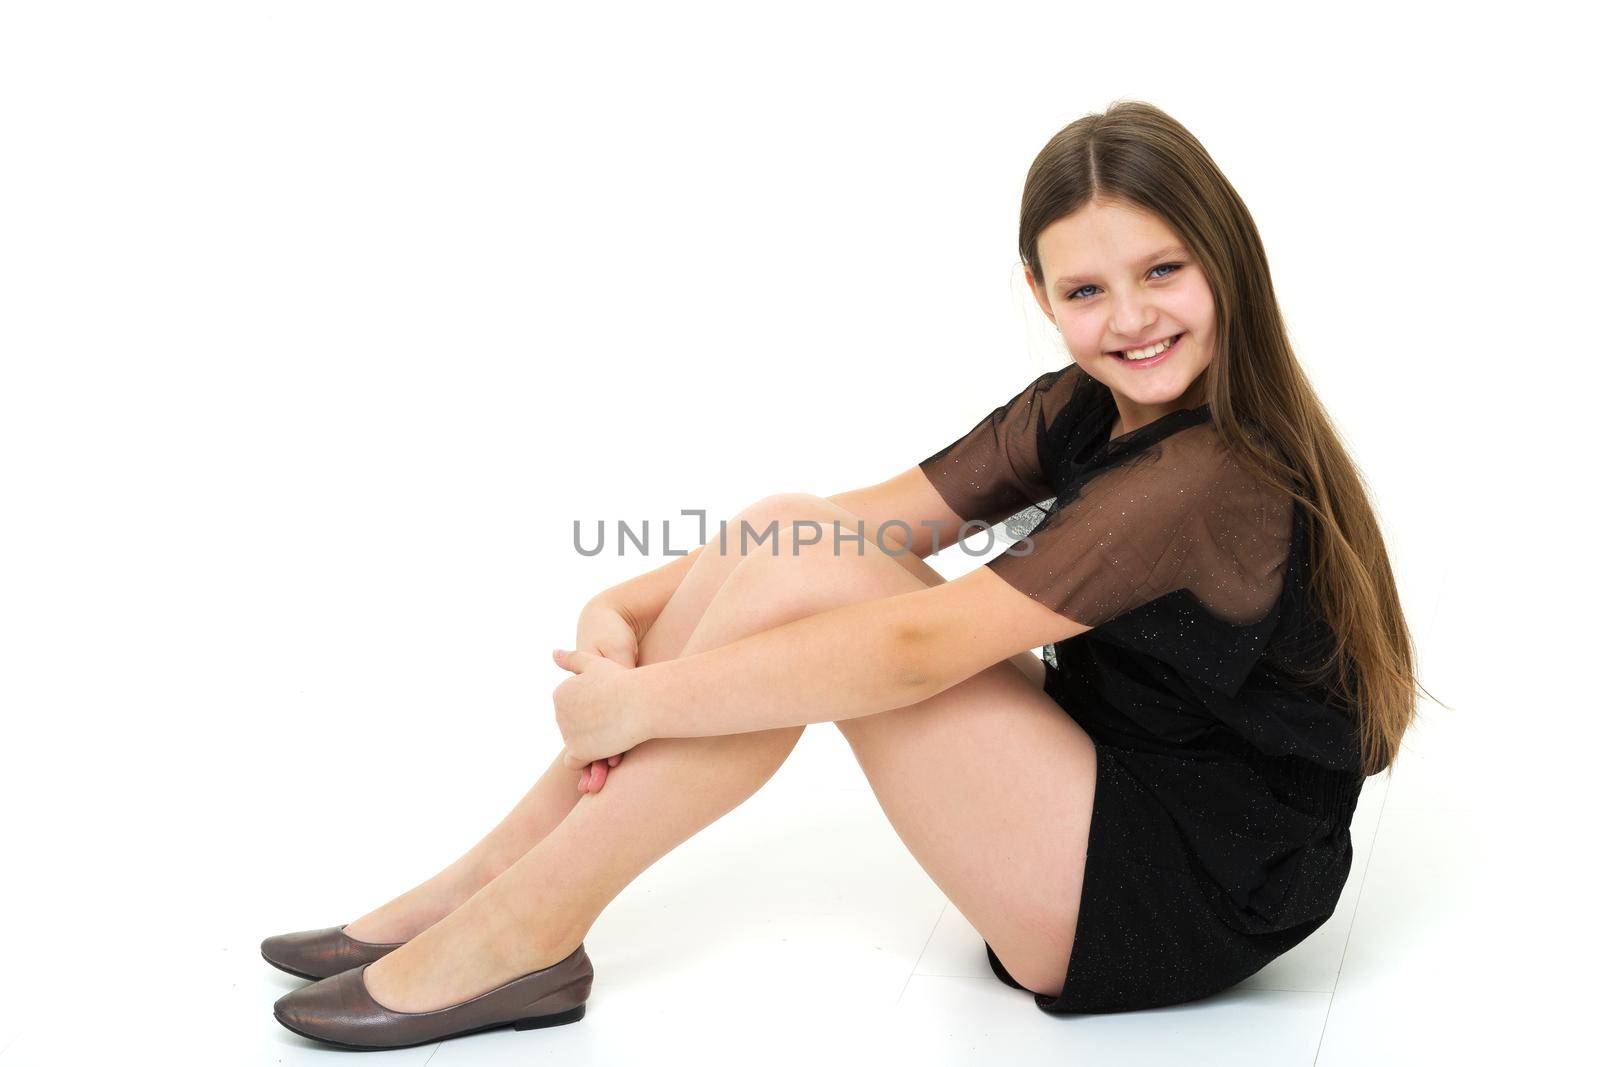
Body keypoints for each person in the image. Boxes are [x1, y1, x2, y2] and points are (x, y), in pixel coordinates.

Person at [264, 100, 1428, 1049]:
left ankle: (518, 918)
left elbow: (915, 647)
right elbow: (849, 527)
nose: (1128, 318)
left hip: (1166, 891)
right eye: (1084, 290)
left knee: (822, 587)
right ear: (1040, 294)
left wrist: (634, 701)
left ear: (1224, 260)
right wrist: (619, 603)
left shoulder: (1207, 475)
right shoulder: (1086, 405)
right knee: (796, 529)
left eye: (1161, 270)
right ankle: (493, 884)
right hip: (1106, 790)